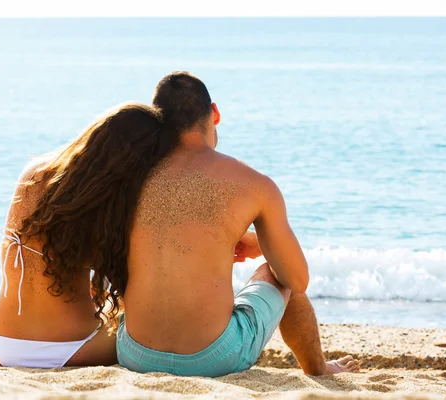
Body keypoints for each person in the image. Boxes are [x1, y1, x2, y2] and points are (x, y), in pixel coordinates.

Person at [117, 72, 360, 377]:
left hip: (134, 354)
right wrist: (262, 245)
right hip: (211, 359)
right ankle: (318, 369)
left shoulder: (132, 178)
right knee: (278, 273)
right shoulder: (253, 183)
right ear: (214, 113)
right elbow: (296, 279)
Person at [0, 103, 175, 368]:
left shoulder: (34, 173)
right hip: (72, 348)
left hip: (2, 342)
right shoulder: (113, 207)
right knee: (163, 324)